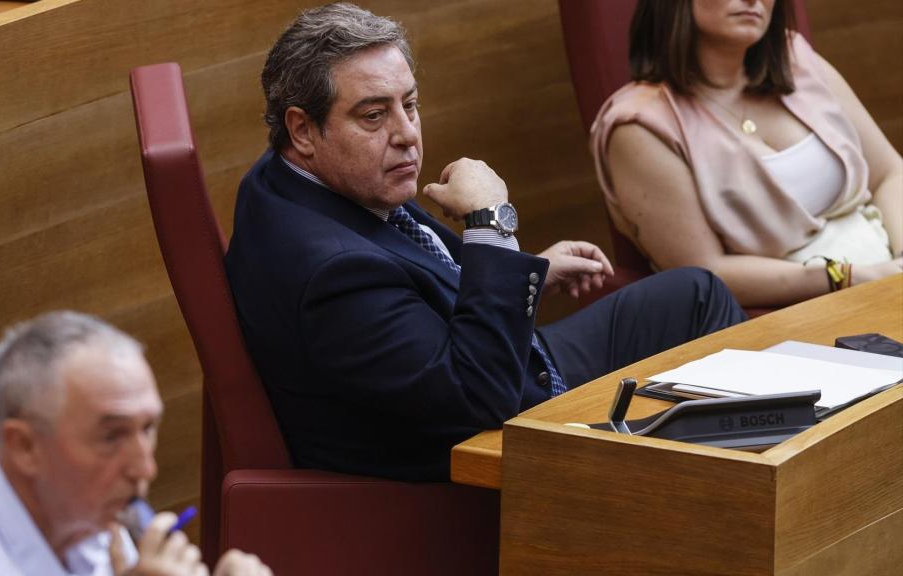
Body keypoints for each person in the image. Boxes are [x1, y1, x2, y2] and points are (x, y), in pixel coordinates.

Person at [224, 2, 747, 482]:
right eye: (373, 115)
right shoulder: (333, 273)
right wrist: (491, 225)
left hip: (478, 370)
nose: (406, 134)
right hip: (481, 455)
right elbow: (480, 396)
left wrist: (524, 272)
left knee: (696, 295)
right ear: (303, 129)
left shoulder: (288, 180)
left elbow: (410, 302)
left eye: (410, 104)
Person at [0, 311, 271, 576]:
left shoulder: (79, 508)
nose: (144, 469)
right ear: (24, 447)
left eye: (148, 428)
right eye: (111, 435)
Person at [591, 0, 903, 308]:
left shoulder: (797, 58)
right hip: (788, 312)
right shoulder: (640, 125)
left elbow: (890, 173)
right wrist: (847, 276)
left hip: (887, 272)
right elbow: (704, 272)